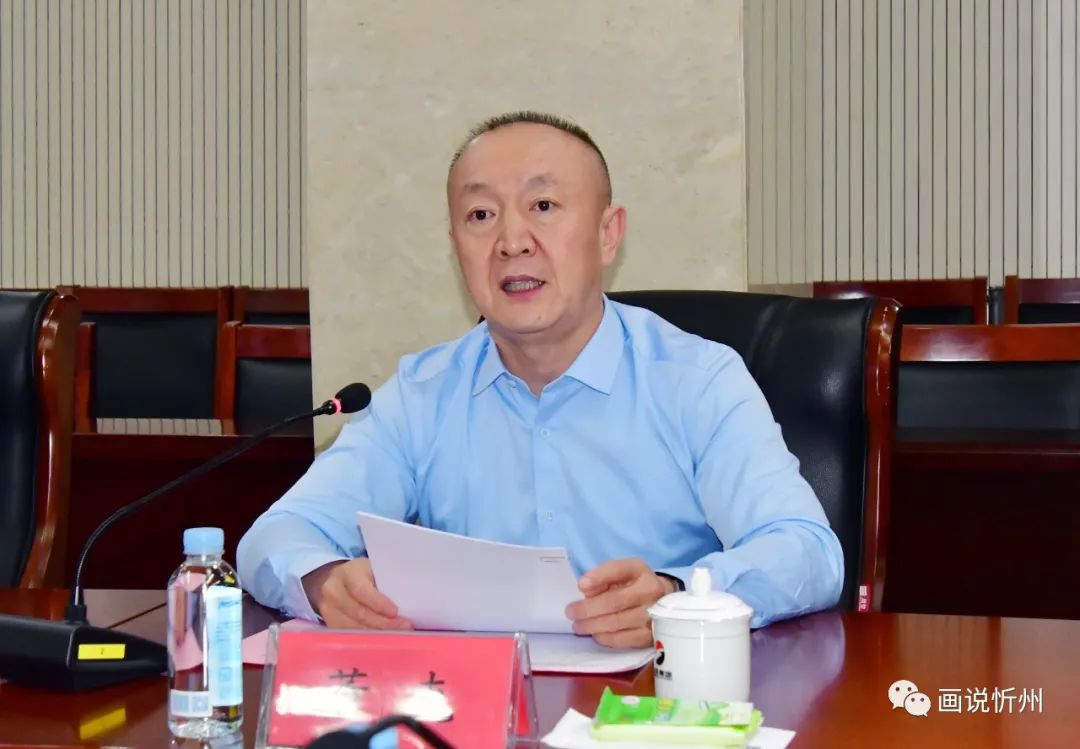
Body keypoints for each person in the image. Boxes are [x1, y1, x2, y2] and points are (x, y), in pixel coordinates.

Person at [237, 111, 844, 648]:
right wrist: (322, 581)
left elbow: (807, 552)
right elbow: (275, 537)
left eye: (544, 207)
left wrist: (676, 595)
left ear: (608, 234)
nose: (511, 242)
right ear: (456, 247)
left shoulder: (697, 380)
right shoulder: (423, 393)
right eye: (480, 215)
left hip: (652, 705)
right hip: (476, 709)